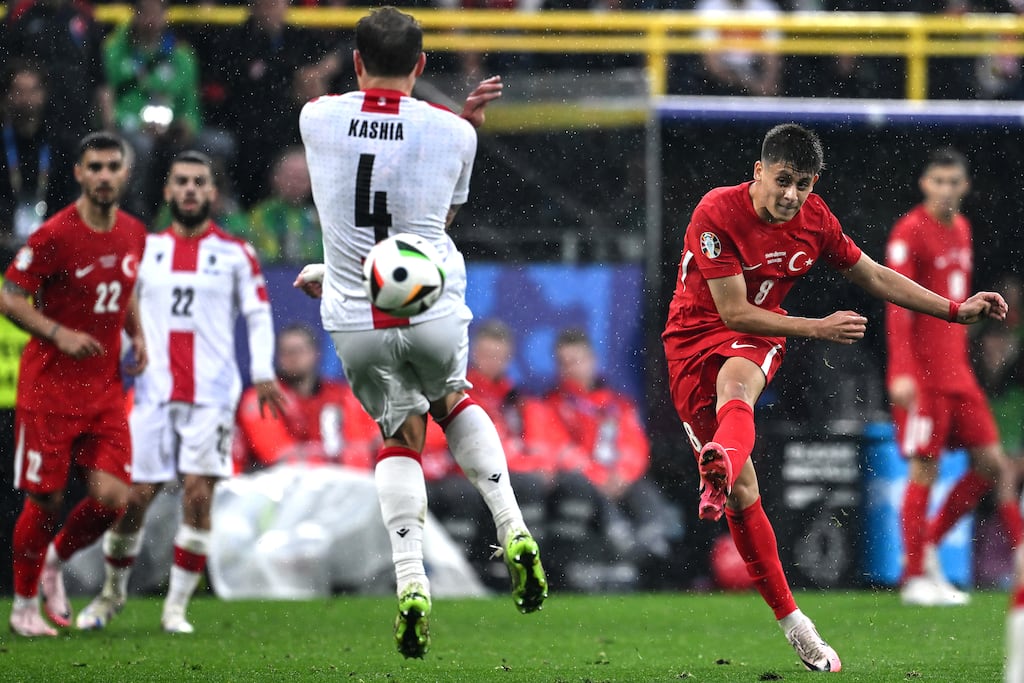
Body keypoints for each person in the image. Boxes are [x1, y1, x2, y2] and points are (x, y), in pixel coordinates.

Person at [661, 123, 1008, 673]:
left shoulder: (814, 220)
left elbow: (873, 275)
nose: (790, 195)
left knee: (739, 383)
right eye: (781, 181)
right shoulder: (717, 212)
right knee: (744, 490)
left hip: (758, 338)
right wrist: (819, 328)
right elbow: (731, 312)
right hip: (691, 340)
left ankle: (796, 621)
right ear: (758, 172)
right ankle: (729, 479)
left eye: (802, 184)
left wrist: (952, 308)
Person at [293, 7, 547, 659]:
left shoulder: (316, 118)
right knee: (455, 398)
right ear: (422, 65)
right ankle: (513, 526)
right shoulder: (453, 132)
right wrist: (467, 127)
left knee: (399, 434)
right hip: (426, 301)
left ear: (355, 62)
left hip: (355, 316)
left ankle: (412, 583)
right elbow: (444, 212)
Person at [75, 150, 284, 634]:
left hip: (211, 395)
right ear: (168, 192)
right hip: (153, 392)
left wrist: (262, 372)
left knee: (197, 496)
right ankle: (111, 595)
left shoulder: (236, 253)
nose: (190, 189)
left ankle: (176, 608)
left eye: (199, 182)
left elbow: (256, 314)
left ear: (213, 192)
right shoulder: (144, 250)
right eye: (182, 182)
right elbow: (121, 310)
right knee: (136, 497)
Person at [0, 131, 147, 637]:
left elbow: (125, 289)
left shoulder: (133, 232)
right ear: (80, 174)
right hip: (50, 391)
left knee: (113, 498)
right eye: (95, 167)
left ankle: (54, 562)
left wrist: (138, 335)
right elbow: (10, 296)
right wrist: (58, 332)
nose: (104, 176)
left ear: (125, 173)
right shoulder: (55, 234)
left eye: (113, 167)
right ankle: (22, 609)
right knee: (45, 501)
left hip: (103, 390)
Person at [885, 147, 1023, 607]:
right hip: (922, 376)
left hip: (957, 373)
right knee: (925, 467)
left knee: (992, 466)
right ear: (924, 184)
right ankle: (911, 578)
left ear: (965, 187)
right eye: (937, 181)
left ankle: (927, 548)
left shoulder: (962, 230)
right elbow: (897, 303)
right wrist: (902, 370)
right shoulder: (909, 231)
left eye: (953, 182)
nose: (945, 190)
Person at [543, 327, 678, 577]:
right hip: (586, 484)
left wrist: (622, 474)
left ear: (592, 361)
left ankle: (655, 544)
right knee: (579, 485)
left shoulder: (618, 404)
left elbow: (636, 446)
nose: (571, 368)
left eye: (577, 360)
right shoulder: (551, 405)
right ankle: (621, 541)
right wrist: (599, 476)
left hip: (619, 479)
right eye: (564, 363)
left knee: (644, 491)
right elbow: (559, 450)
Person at [103, 0, 233, 222]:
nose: (151, 19)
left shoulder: (182, 56)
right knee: (141, 146)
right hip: (130, 131)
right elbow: (107, 103)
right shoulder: (114, 50)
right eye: (145, 11)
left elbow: (192, 108)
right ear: (134, 14)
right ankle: (136, 213)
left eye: (157, 11)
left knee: (220, 143)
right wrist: (135, 123)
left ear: (166, 15)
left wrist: (185, 126)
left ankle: (212, 213)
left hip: (171, 131)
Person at [234, 322, 379, 472]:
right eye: (286, 352)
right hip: (283, 485)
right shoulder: (261, 398)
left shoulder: (342, 395)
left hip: (340, 482)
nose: (293, 358)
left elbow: (366, 447)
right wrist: (326, 455)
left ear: (315, 353)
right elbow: (276, 455)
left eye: (299, 350)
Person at [0, 61, 76, 247]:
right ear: (7, 95)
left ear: (44, 94)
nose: (25, 99)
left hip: (51, 239)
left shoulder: (60, 143)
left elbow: (68, 196)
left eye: (32, 91)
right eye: (18, 91)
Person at [241, 146, 322, 264]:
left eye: (301, 178)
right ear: (276, 177)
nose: (295, 183)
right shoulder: (261, 214)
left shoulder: (320, 218)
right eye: (290, 176)